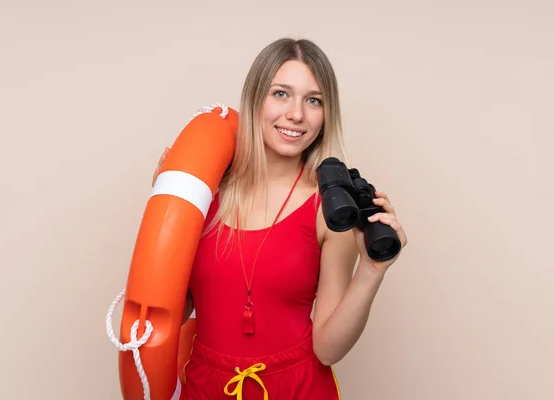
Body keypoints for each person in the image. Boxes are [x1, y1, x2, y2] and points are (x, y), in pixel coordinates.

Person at [153, 37, 408, 400]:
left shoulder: (330, 210)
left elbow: (328, 350)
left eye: (313, 100)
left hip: (298, 389)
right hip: (207, 388)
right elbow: (166, 318)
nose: (296, 115)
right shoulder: (205, 194)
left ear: (326, 114)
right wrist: (166, 216)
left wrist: (371, 270)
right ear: (255, 99)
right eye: (281, 94)